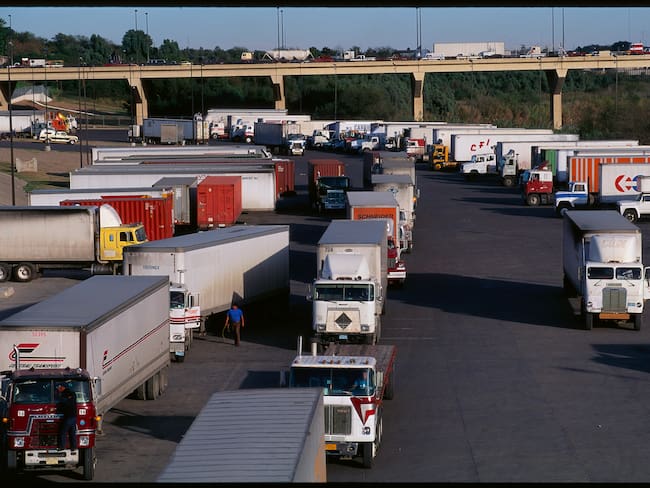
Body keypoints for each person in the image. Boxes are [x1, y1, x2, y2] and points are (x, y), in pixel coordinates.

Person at [56, 384, 77, 451]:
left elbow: (64, 403)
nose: (58, 389)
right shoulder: (72, 393)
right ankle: (73, 446)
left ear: (63, 387)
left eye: (59, 387)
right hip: (74, 416)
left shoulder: (64, 395)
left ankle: (62, 446)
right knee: (72, 432)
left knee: (63, 432)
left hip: (68, 416)